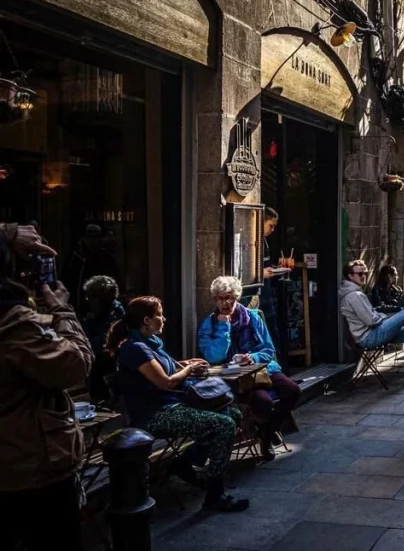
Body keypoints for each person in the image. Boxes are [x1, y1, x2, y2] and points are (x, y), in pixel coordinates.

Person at [0, 223, 93, 551]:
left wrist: (8, 234)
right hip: (29, 469)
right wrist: (61, 310)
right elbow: (76, 363)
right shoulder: (15, 328)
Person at [110, 296, 248, 512]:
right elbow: (164, 382)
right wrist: (189, 371)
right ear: (147, 320)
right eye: (159, 315)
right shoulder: (135, 348)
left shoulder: (151, 344)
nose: (164, 319)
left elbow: (166, 369)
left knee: (233, 415)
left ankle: (185, 461)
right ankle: (215, 494)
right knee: (224, 425)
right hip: (155, 415)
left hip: (174, 405)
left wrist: (186, 363)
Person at [198, 276, 301, 462]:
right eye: (220, 298)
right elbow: (213, 357)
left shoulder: (252, 318)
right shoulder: (211, 324)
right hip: (236, 377)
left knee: (292, 390)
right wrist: (223, 327)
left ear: (237, 297)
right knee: (264, 402)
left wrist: (252, 357)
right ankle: (267, 438)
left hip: (262, 369)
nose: (225, 302)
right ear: (215, 300)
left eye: (229, 297)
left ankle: (267, 433)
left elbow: (268, 349)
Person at [340, 260, 404, 384]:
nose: (364, 276)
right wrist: (386, 318)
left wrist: (384, 317)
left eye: (365, 273)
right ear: (350, 276)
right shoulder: (354, 296)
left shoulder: (357, 293)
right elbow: (370, 320)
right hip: (369, 336)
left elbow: (372, 315)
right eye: (360, 274)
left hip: (374, 331)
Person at [81, 275, 124, 403]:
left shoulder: (114, 317)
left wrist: (89, 322)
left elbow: (96, 347)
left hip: (109, 373)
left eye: (90, 297)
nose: (87, 300)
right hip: (98, 373)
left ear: (101, 299)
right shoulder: (97, 316)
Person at [259, 207, 282, 349]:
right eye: (271, 225)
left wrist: (274, 268)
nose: (272, 230)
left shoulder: (264, 241)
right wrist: (261, 273)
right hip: (259, 298)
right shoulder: (253, 240)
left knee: (273, 334)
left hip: (266, 295)